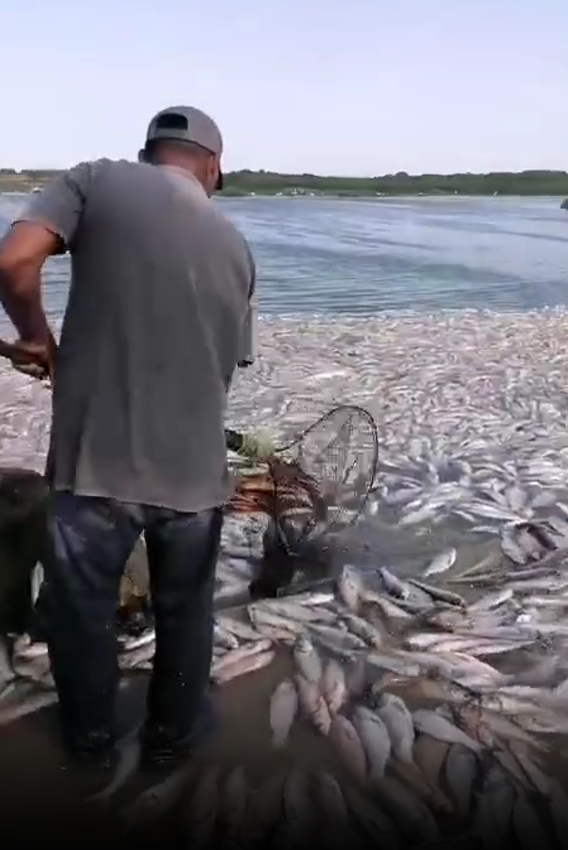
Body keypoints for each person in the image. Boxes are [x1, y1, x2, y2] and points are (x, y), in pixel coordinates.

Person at [0, 106, 257, 784]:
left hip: (97, 470)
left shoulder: (97, 179)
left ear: (152, 154)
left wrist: (32, 334)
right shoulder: (236, 246)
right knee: (186, 611)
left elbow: (15, 260)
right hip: (196, 480)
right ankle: (170, 742)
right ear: (211, 165)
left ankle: (90, 748)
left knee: (83, 614)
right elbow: (219, 371)